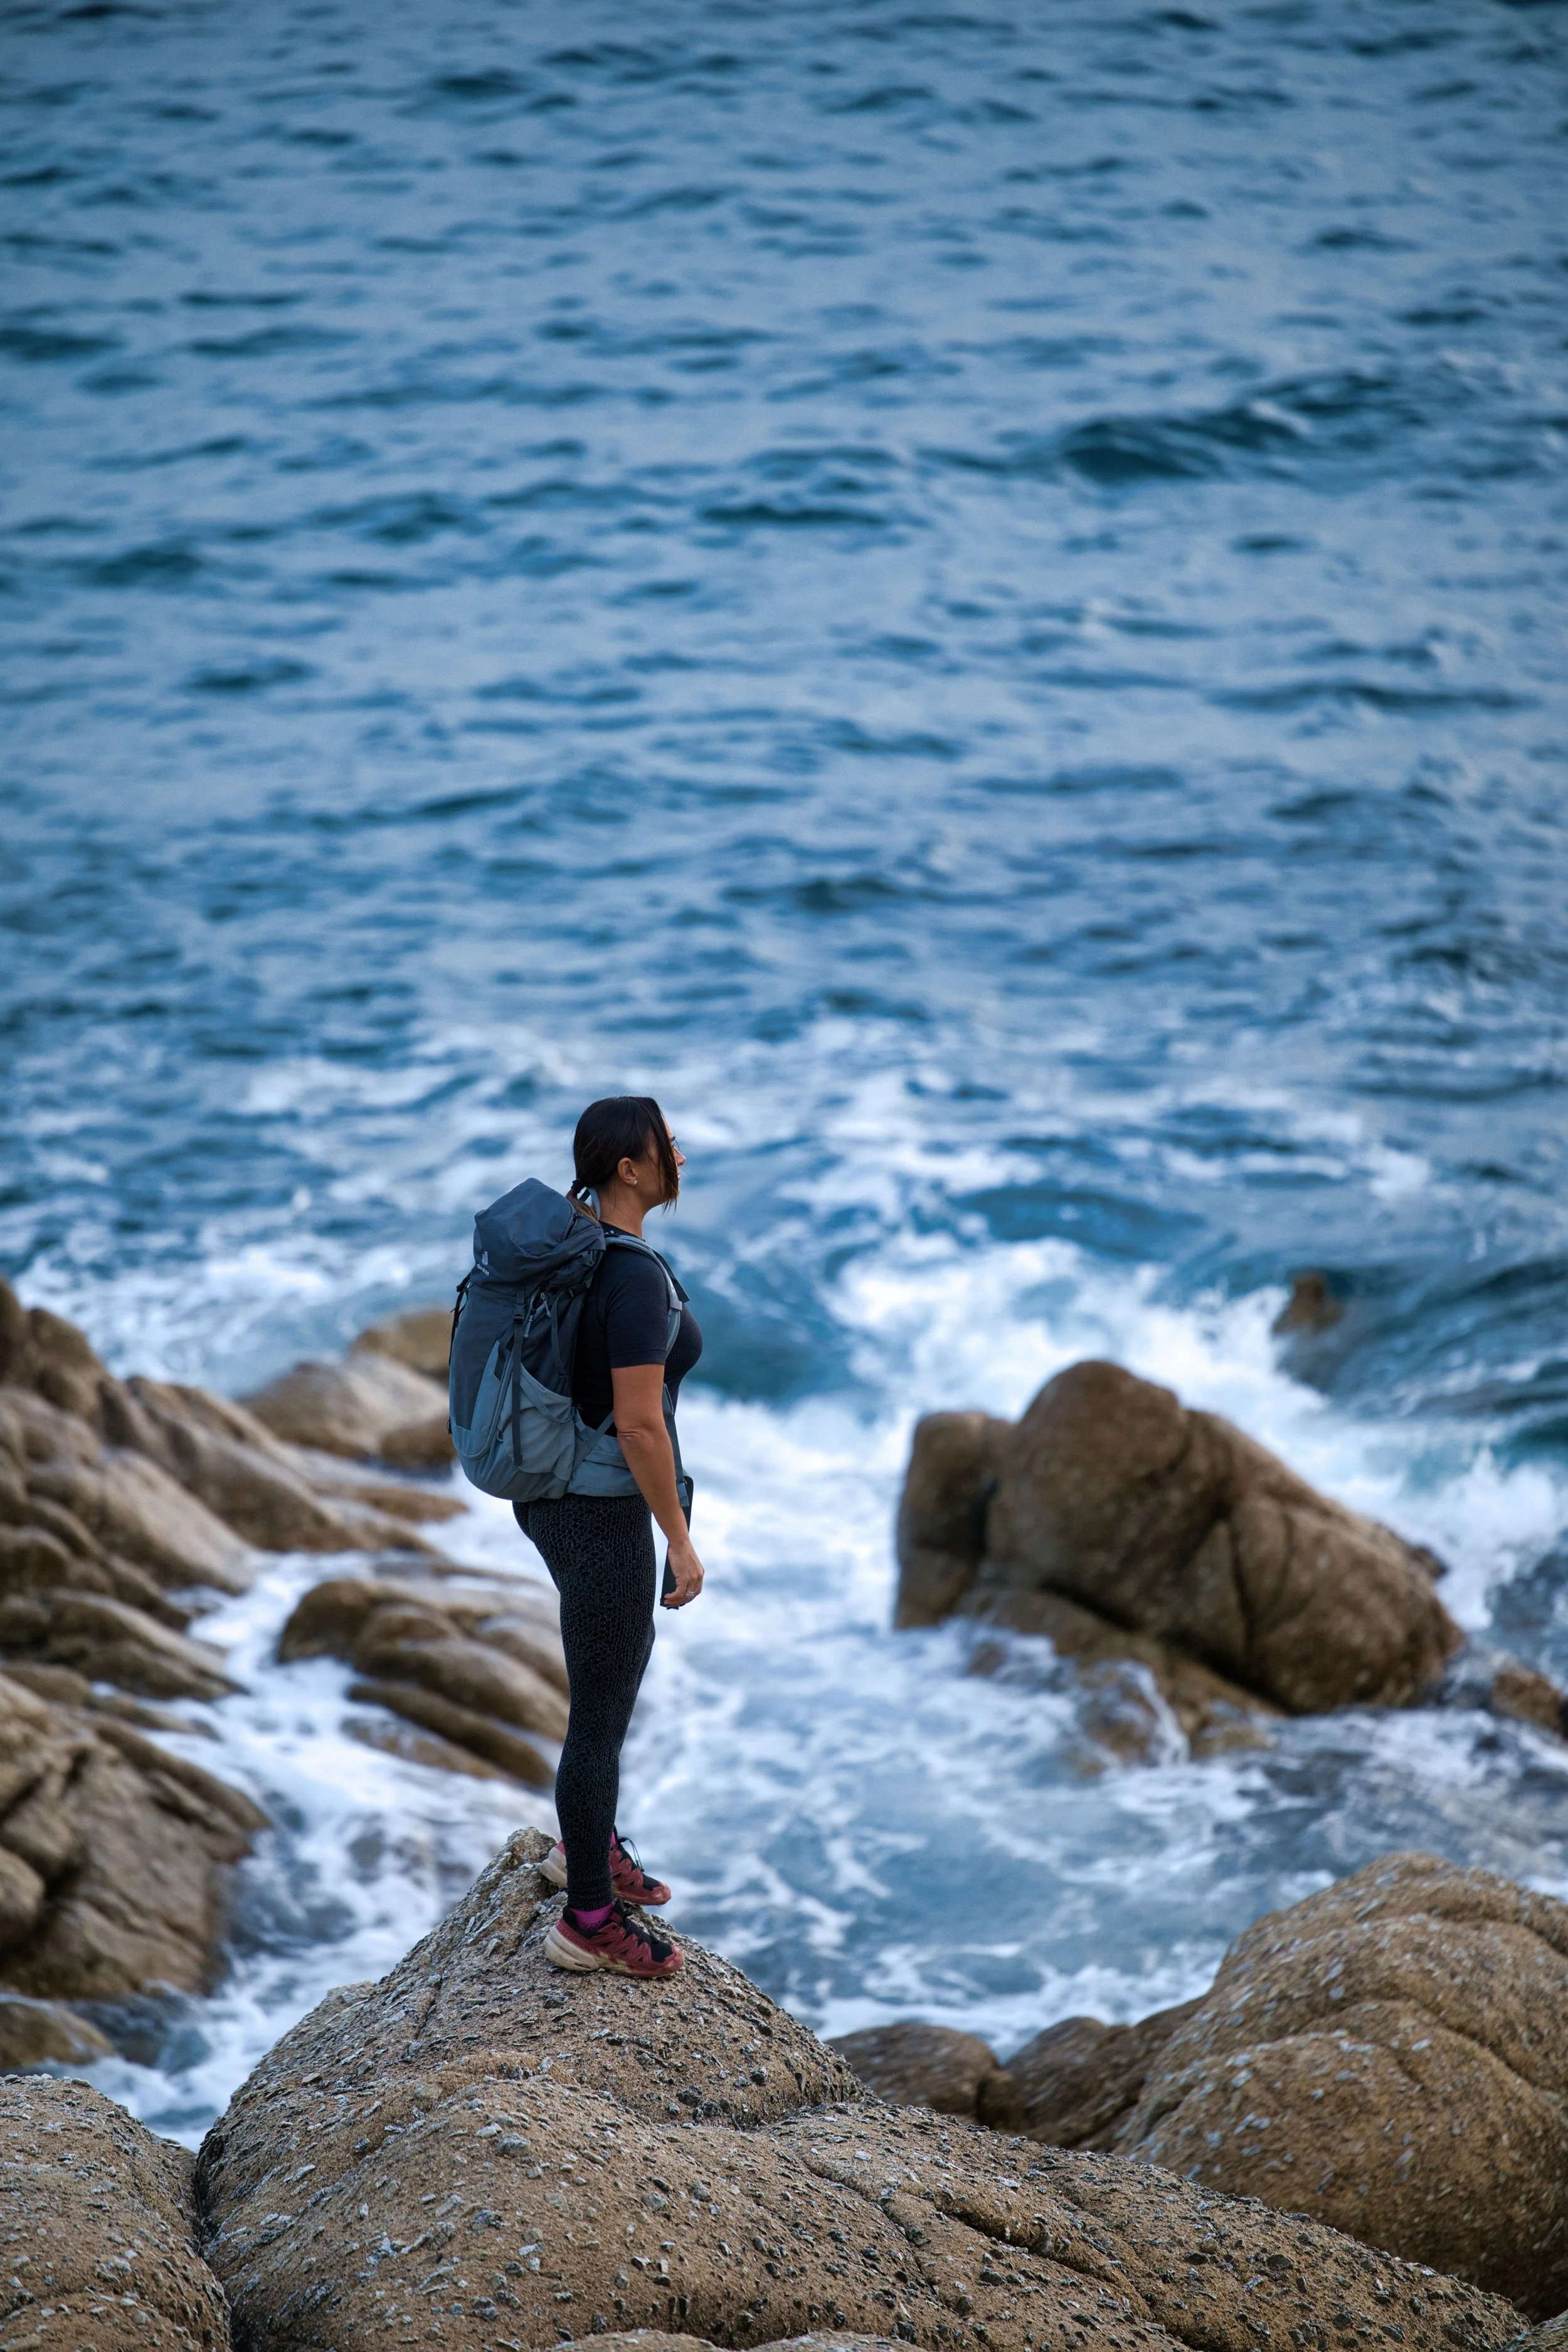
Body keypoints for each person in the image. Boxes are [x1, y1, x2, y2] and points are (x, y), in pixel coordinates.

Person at [516, 1094, 706, 1979]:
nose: (679, 1154)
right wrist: (680, 1537)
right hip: (594, 1506)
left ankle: (583, 1848)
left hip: (555, 1492)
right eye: (667, 1143)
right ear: (630, 1168)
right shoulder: (628, 1274)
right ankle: (587, 1916)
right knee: (601, 1708)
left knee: (608, 1683)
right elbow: (637, 1423)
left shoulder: (578, 1246)